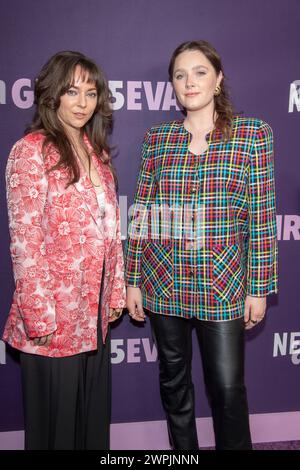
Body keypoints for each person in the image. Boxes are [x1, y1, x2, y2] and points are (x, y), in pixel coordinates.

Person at [125, 40, 278, 450]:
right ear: (172, 85)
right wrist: (132, 279)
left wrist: (258, 287)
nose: (188, 82)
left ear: (218, 80)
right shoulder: (157, 139)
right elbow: (142, 213)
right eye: (179, 75)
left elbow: (261, 218)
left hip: (223, 284)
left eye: (199, 72)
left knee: (227, 390)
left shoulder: (252, 135)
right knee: (174, 385)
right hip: (164, 280)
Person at [3, 51, 126, 450]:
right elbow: (25, 241)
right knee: (55, 434)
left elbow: (111, 231)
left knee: (91, 430)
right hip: (53, 322)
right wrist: (40, 317)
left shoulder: (98, 154)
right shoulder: (30, 151)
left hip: (93, 319)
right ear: (51, 94)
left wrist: (116, 292)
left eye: (91, 93)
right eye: (72, 91)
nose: (82, 102)